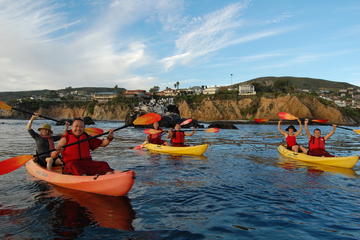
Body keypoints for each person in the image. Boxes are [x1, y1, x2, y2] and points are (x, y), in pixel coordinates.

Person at [50, 118, 114, 176]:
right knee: (73, 165)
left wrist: (109, 138)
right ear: (72, 127)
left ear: (84, 128)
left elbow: (103, 143)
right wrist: (57, 151)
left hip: (86, 163)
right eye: (76, 126)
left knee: (104, 164)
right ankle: (84, 177)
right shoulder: (66, 138)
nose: (78, 129)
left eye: (81, 127)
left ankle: (109, 177)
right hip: (71, 165)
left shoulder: (86, 137)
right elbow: (53, 156)